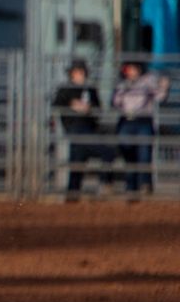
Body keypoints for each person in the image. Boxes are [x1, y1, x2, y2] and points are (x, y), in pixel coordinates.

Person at [51, 59, 112, 200]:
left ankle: (74, 193)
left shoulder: (90, 89)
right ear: (72, 74)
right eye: (77, 72)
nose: (80, 75)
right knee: (102, 153)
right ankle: (95, 186)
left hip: (88, 128)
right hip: (74, 128)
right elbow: (57, 104)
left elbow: (98, 109)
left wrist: (89, 108)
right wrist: (72, 104)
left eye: (82, 71)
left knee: (79, 159)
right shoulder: (66, 89)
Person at [112, 60, 170, 197]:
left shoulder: (148, 81)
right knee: (128, 153)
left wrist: (164, 87)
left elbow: (160, 97)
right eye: (129, 69)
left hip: (143, 120)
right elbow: (116, 102)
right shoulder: (122, 83)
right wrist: (124, 89)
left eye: (134, 69)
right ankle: (131, 186)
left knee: (144, 154)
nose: (131, 72)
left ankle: (145, 183)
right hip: (127, 121)